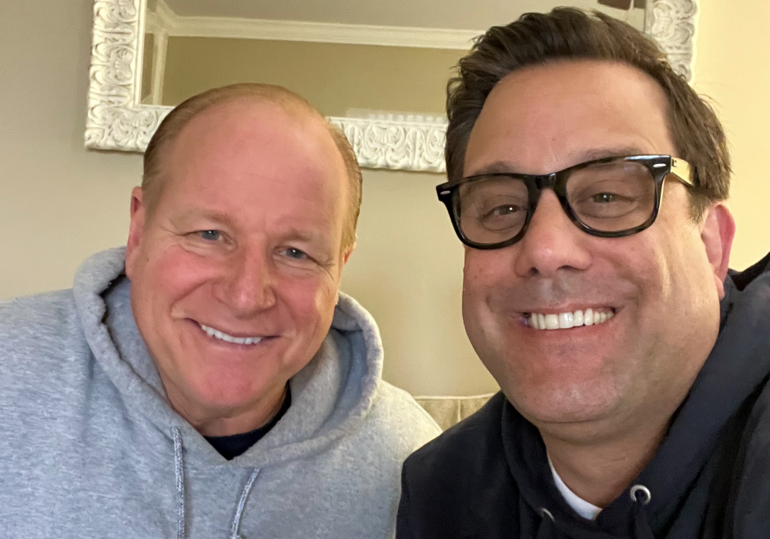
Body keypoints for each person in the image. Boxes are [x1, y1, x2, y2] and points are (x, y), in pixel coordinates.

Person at [0, 83, 439, 538]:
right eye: (209, 235)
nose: (246, 296)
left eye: (295, 252)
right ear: (139, 231)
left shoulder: (414, 462)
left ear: (339, 269)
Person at [397, 8, 770, 539]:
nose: (545, 249)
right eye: (503, 207)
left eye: (607, 196)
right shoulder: (442, 489)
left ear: (711, 246)